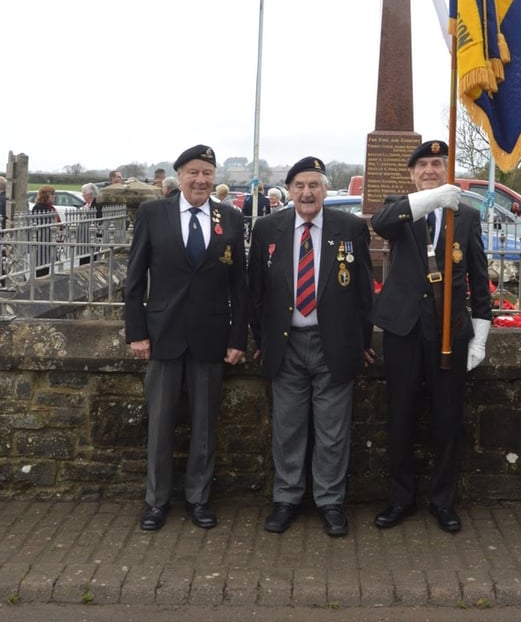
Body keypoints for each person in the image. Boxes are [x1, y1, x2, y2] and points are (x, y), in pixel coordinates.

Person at [248, 156, 374, 538]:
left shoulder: (350, 227)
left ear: (324, 189)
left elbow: (364, 291)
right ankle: (286, 498)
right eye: (299, 185)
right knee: (288, 428)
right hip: (285, 345)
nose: (307, 192)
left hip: (332, 344)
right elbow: (255, 291)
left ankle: (330, 502)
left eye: (314, 185)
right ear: (289, 191)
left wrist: (363, 341)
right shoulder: (268, 228)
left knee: (333, 432)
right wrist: (261, 340)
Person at [124, 144, 248, 532]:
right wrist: (137, 332)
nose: (200, 179)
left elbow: (240, 286)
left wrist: (237, 338)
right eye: (193, 172)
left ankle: (198, 498)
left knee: (205, 424)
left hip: (211, 336)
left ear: (214, 178)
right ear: (179, 176)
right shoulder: (152, 213)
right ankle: (156, 502)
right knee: (159, 424)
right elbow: (134, 278)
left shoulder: (229, 217)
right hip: (162, 336)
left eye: (207, 173)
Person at [370, 140, 492, 534]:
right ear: (412, 174)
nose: (429, 171)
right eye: (422, 166)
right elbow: (382, 223)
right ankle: (400, 499)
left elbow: (479, 280)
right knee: (401, 416)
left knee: (447, 420)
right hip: (404, 330)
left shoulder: (467, 217)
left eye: (437, 165)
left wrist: (481, 336)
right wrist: (433, 198)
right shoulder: (400, 207)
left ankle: (443, 501)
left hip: (448, 333)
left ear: (446, 170)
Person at [31, 185, 62, 273]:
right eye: (52, 194)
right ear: (46, 195)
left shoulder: (49, 207)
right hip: (42, 239)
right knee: (42, 264)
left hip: (49, 239)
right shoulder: (39, 208)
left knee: (47, 263)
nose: (54, 196)